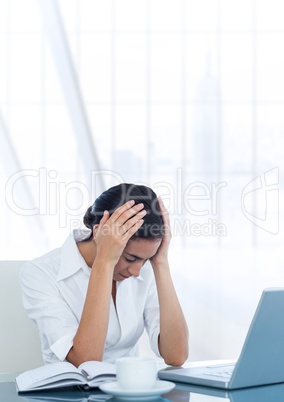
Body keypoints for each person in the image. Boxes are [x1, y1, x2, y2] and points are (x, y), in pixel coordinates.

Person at [20, 183, 189, 367]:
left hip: (127, 389)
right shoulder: (39, 273)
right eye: (130, 258)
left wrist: (160, 262)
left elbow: (176, 355)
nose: (136, 271)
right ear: (99, 232)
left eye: (146, 259)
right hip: (70, 392)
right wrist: (104, 262)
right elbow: (86, 362)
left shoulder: (145, 267)